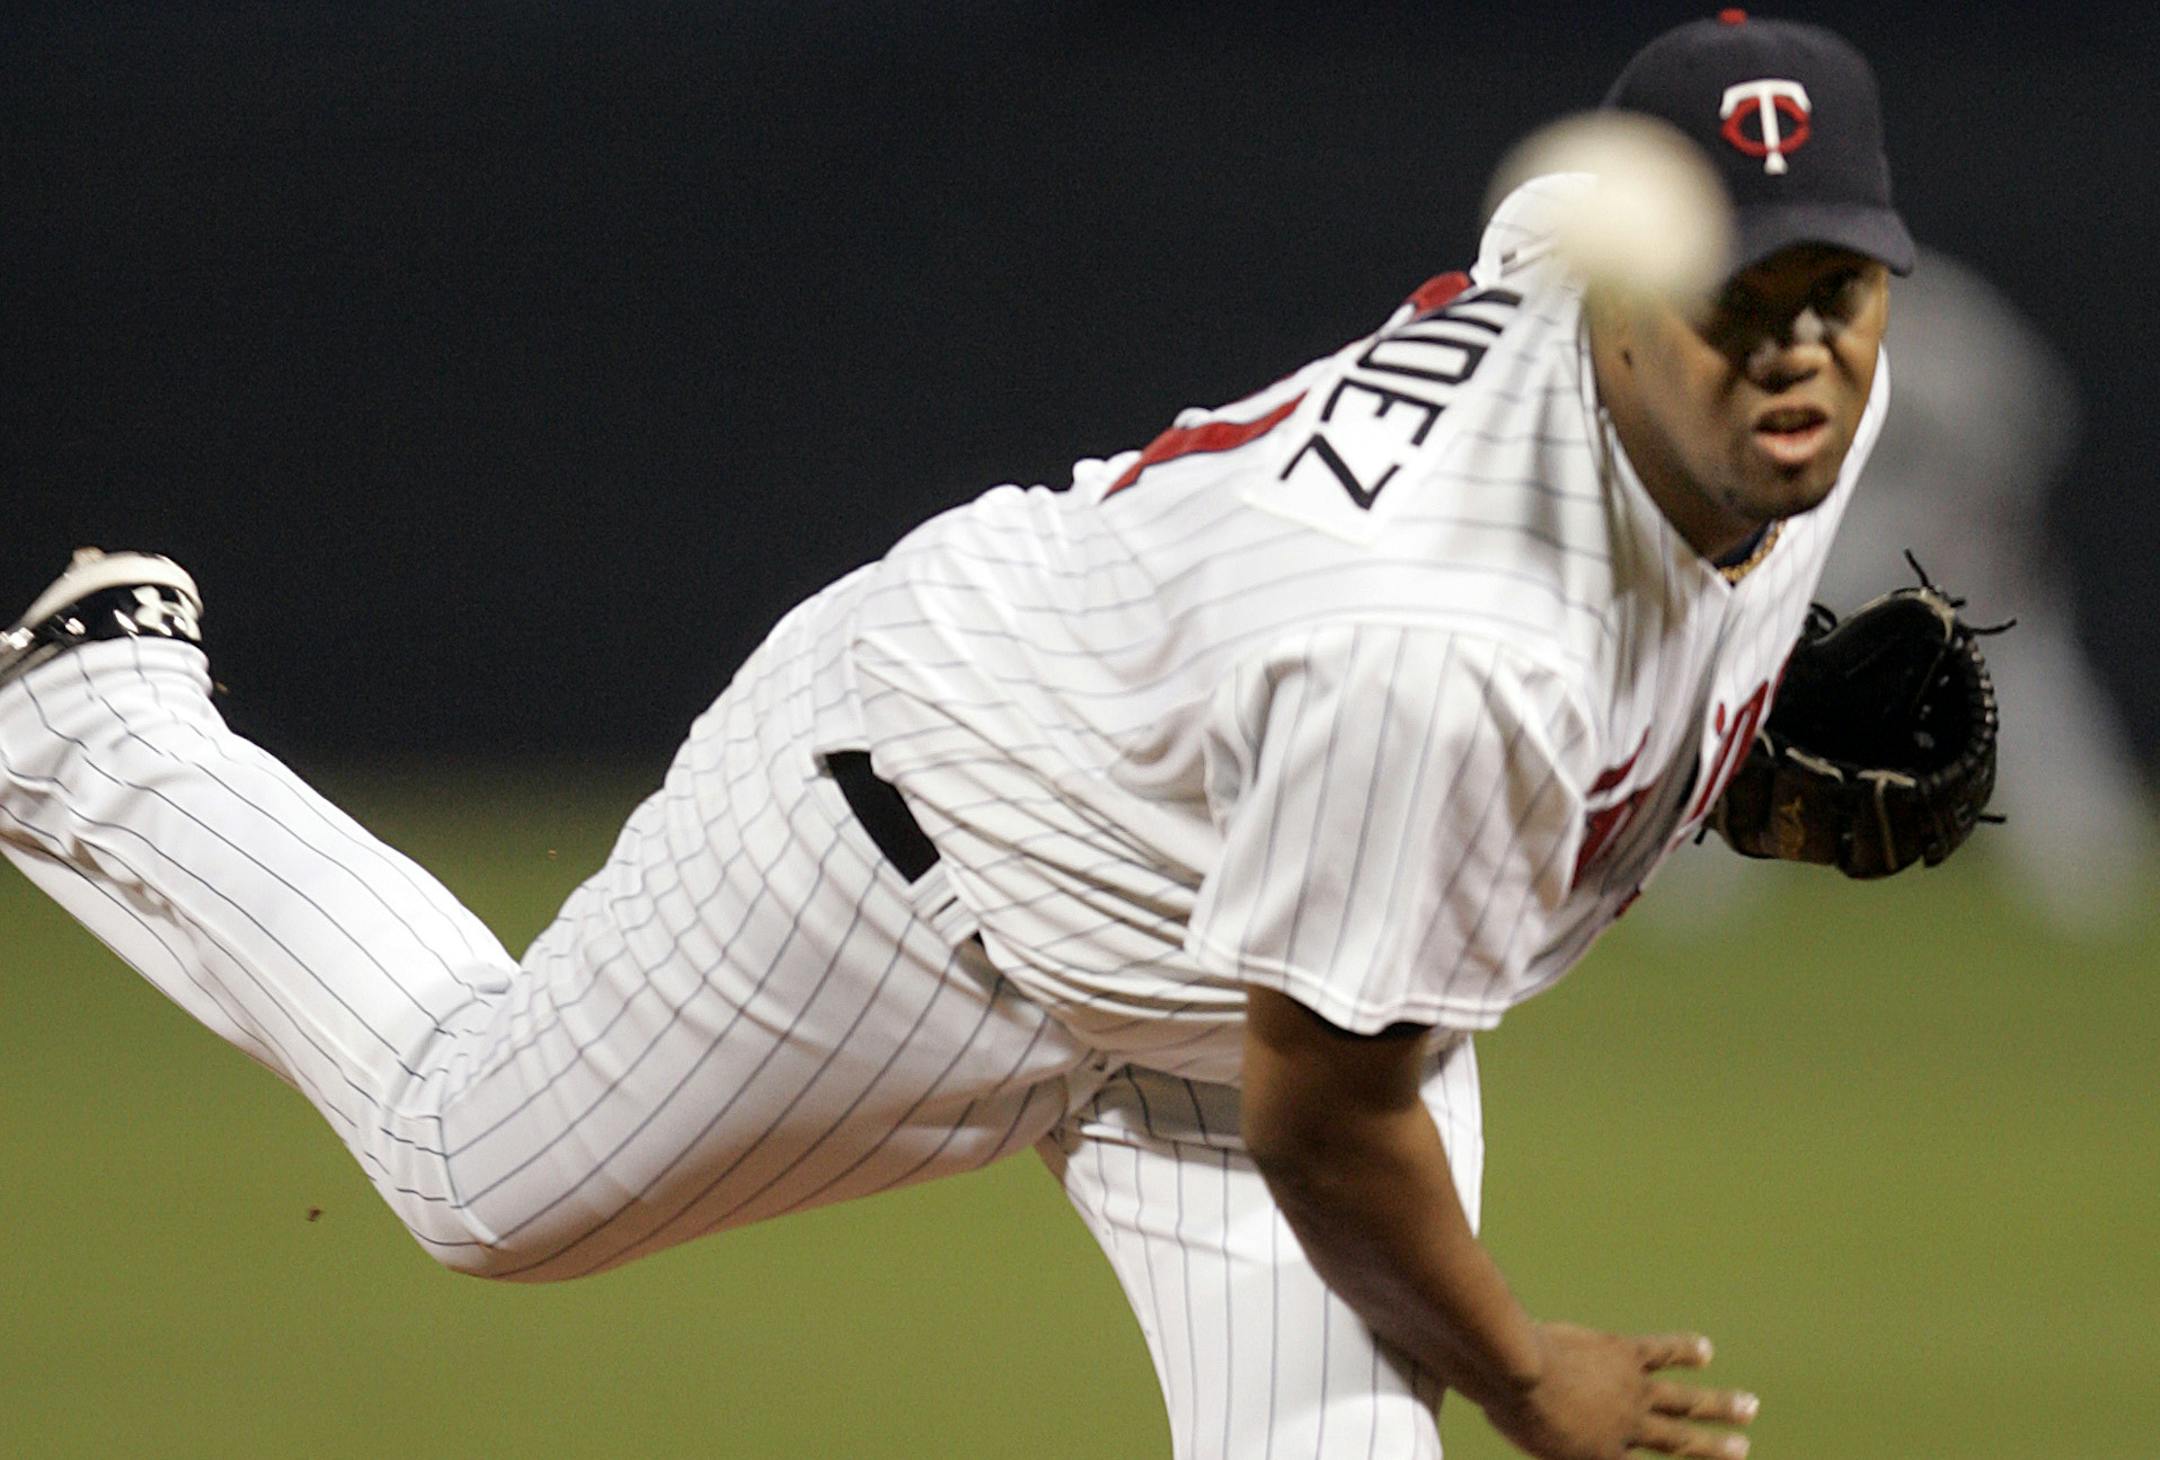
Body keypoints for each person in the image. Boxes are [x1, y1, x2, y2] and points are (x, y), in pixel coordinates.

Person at [0, 14, 1912, 1459]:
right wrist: (1517, 1371)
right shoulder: (1442, 646)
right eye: (1740, 298)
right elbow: (1330, 1110)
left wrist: (1714, 752)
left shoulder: (1653, 317)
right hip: (915, 850)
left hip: (1225, 938)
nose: (1798, 347)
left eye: (1835, 288)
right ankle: (97, 720)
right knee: (469, 1175)